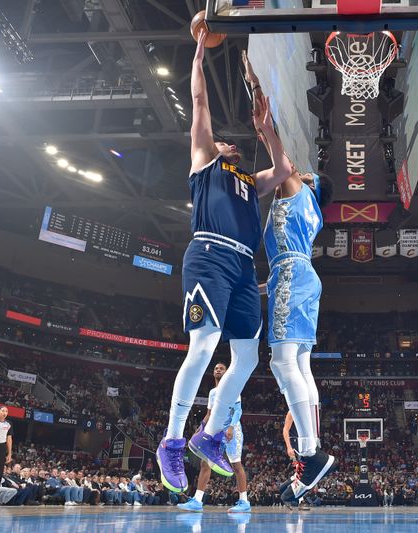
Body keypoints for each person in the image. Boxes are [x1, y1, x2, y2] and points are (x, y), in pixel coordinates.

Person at [157, 28, 293, 494]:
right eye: (224, 141)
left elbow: (285, 170)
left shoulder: (249, 181)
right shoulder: (204, 163)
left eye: (233, 143)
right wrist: (197, 50)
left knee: (249, 355)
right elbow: (198, 101)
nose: (228, 143)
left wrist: (267, 131)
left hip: (241, 267)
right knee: (203, 344)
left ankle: (209, 434)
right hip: (210, 254)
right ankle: (172, 442)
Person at [240, 50, 336, 507]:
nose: (296, 171)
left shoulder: (298, 192)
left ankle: (312, 453)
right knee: (299, 366)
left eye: (303, 173)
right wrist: (259, 288)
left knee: (282, 364)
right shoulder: (308, 212)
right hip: (297, 277)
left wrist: (262, 106)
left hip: (294, 276)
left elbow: (282, 158)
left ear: (310, 184)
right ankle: (311, 456)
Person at [180, 362, 250, 513]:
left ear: (226, 372)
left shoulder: (232, 388)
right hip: (215, 431)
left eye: (221, 368)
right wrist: (200, 430)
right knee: (205, 464)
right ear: (213, 373)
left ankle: (244, 502)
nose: (218, 370)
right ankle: (197, 500)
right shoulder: (212, 392)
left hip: (231, 431)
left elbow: (238, 411)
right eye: (216, 369)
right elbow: (209, 414)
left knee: (236, 465)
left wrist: (231, 427)